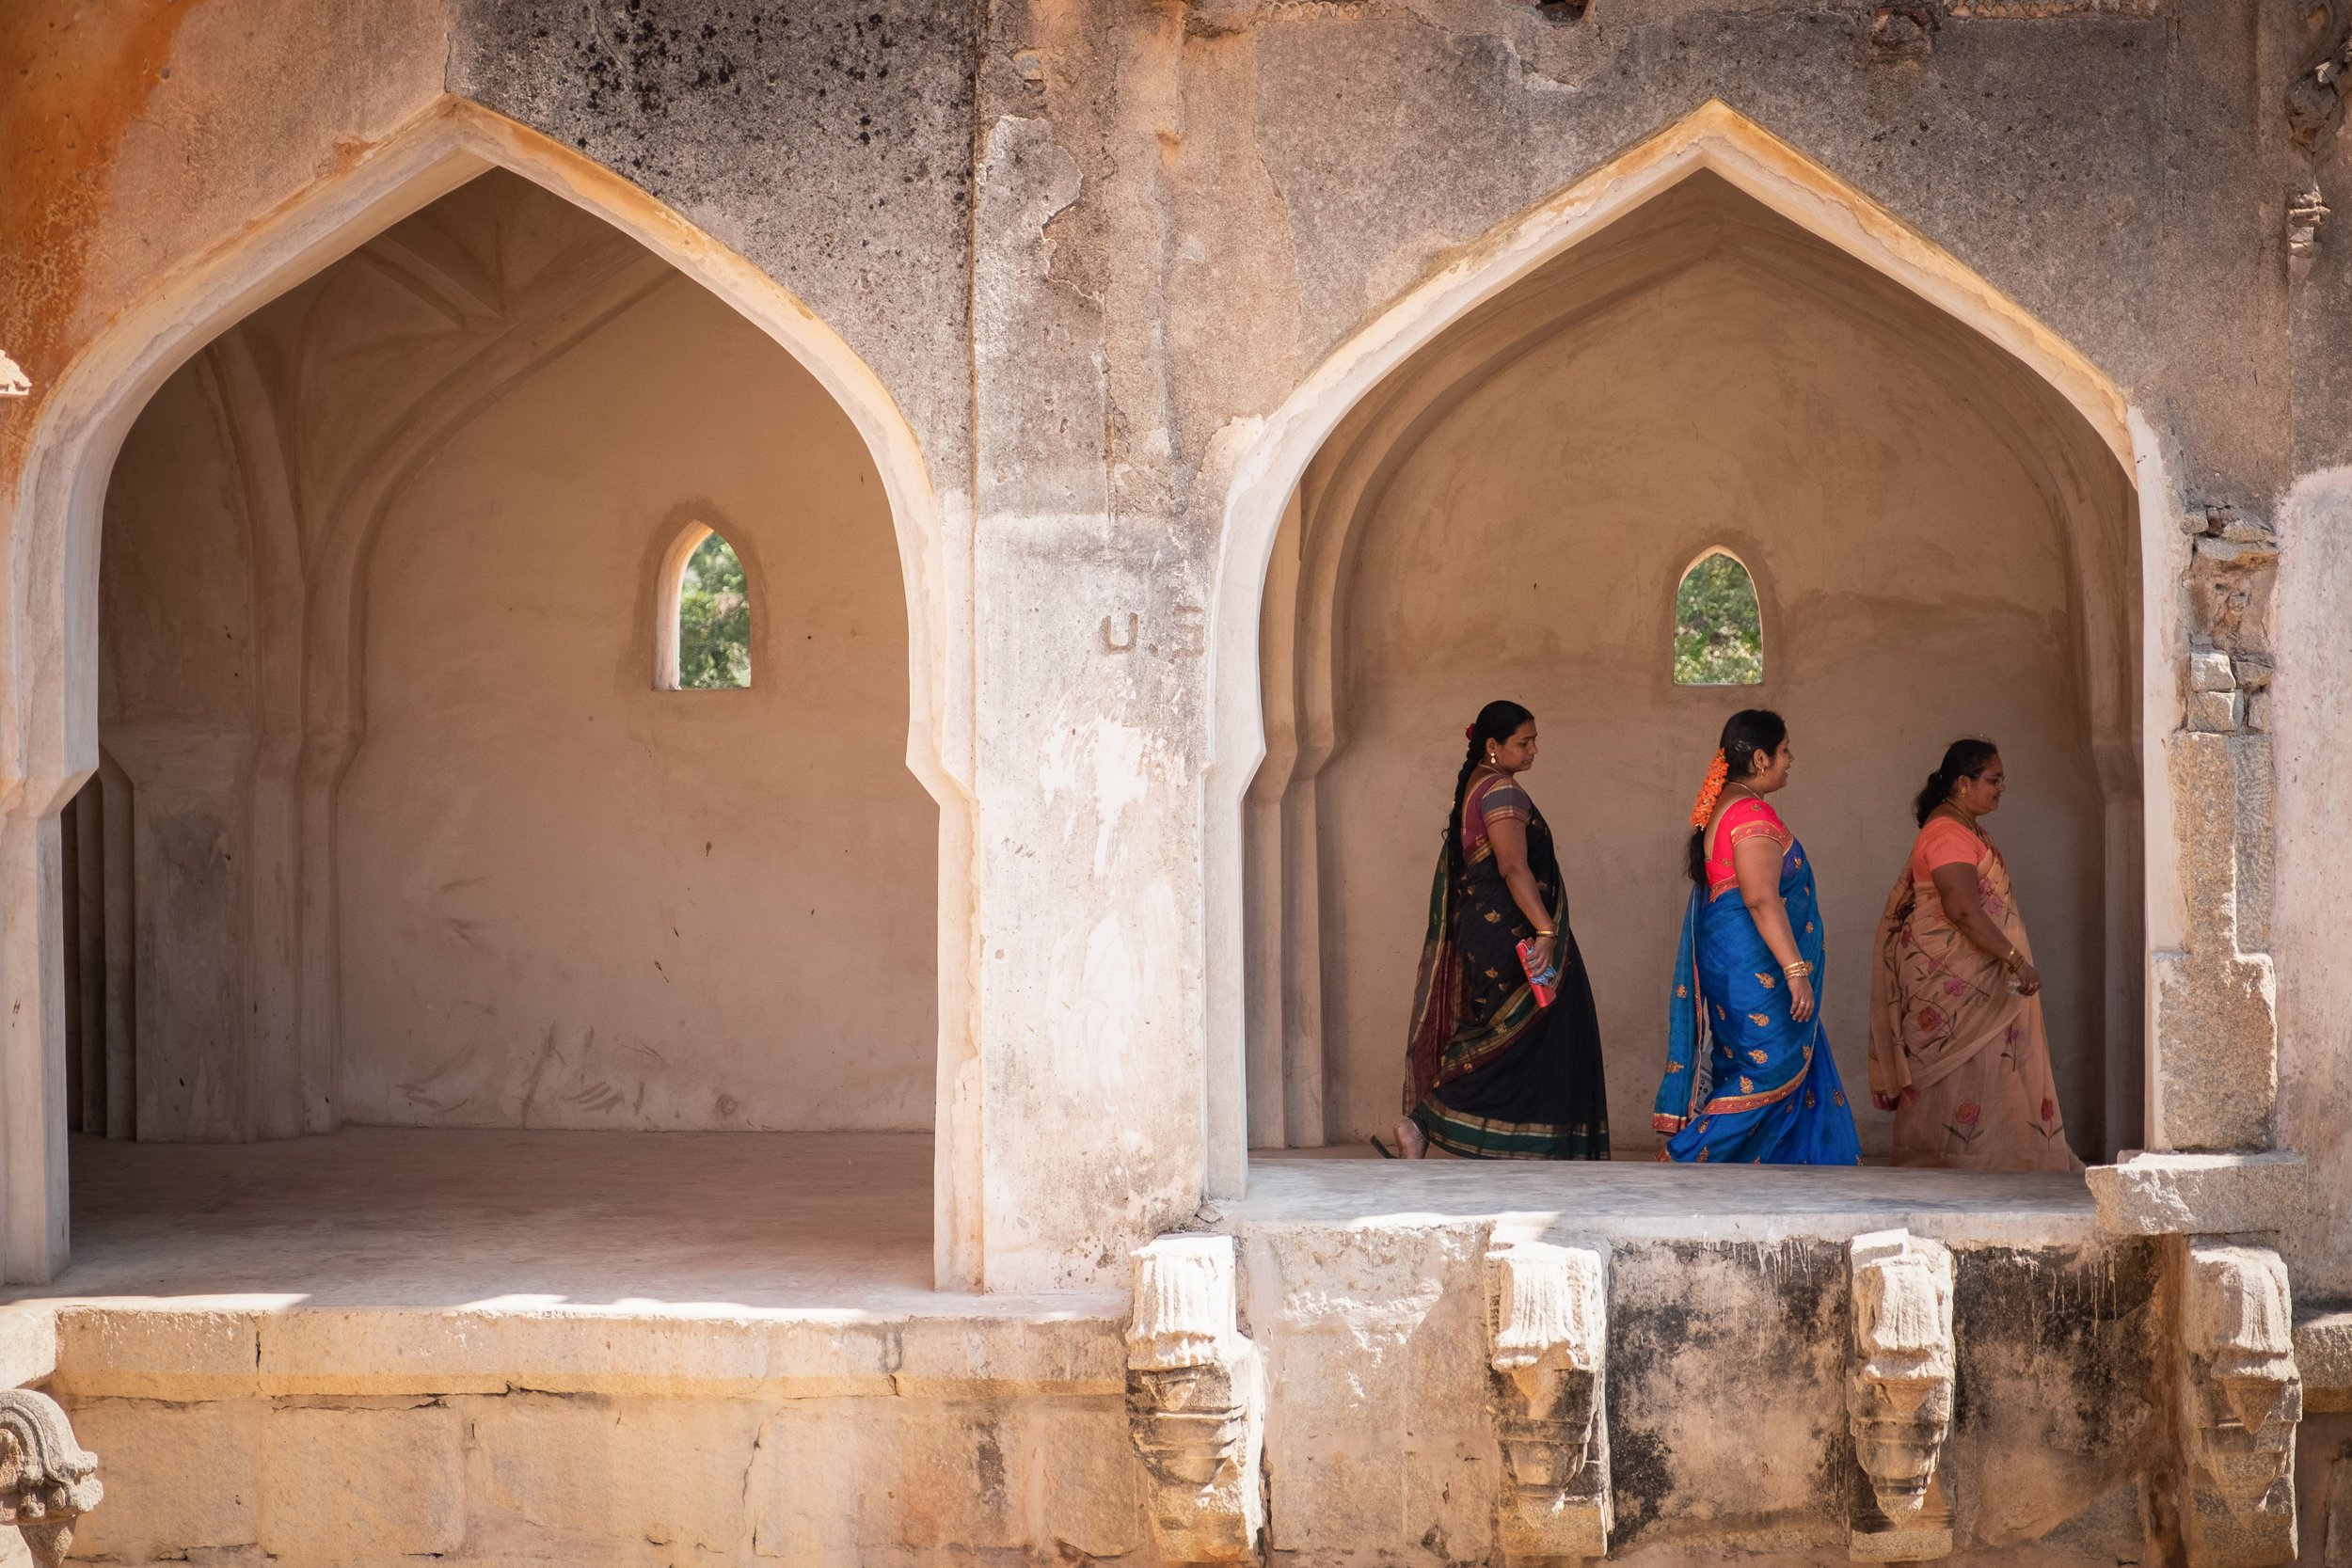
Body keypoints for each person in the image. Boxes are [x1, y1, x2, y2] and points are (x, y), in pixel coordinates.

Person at [1393, 700, 1610, 1159]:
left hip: (1488, 933)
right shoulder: (1501, 791)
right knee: (1512, 1039)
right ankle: (1421, 1122)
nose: (1534, 750)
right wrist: (1547, 933)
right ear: (1492, 746)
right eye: (1523, 742)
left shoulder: (1477, 786)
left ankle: (1436, 1128)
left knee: (1511, 1036)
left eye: (1534, 740)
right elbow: (1514, 868)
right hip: (1514, 934)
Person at [1652, 709, 1860, 1164]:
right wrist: (1795, 971)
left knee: (1763, 1068)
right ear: (1762, 758)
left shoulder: (1725, 807)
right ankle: (1683, 1160)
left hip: (1737, 968)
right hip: (1759, 973)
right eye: (1785, 750)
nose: (1791, 759)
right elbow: (1762, 899)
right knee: (1766, 1071)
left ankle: (1783, 1178)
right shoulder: (1750, 813)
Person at [1867, 740, 2081, 1171]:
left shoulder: (1964, 828)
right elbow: (1962, 909)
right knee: (1962, 1067)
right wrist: (2015, 960)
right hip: (1954, 983)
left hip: (1977, 978)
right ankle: (1948, 1162)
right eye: (1994, 779)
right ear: (1963, 784)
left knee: (1990, 1068)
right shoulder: (1947, 832)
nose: (2002, 788)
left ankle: (1991, 1160)